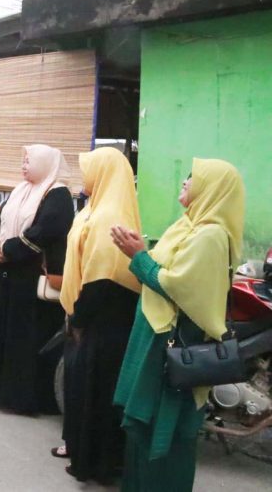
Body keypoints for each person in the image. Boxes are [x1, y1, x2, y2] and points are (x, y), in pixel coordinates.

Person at [112, 159, 245, 491]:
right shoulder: (187, 226)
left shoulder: (211, 236)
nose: (185, 182)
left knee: (164, 436)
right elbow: (162, 266)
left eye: (193, 179)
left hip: (175, 348)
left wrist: (138, 256)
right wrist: (141, 252)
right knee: (142, 436)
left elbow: (176, 286)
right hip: (157, 341)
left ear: (212, 189)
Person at [57, 147, 142, 485]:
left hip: (103, 318)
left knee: (97, 391)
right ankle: (83, 454)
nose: (84, 177)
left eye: (90, 170)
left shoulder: (110, 216)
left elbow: (102, 278)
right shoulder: (97, 208)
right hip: (93, 313)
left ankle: (96, 465)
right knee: (85, 389)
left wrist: (79, 319)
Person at [0, 144, 74, 414]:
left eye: (28, 161)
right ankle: (1, 393)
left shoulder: (57, 194)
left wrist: (8, 251)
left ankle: (25, 399)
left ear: (45, 163)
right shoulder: (21, 189)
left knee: (26, 338)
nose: (23, 166)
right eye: (23, 161)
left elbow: (46, 231)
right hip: (7, 273)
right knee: (2, 332)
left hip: (30, 276)